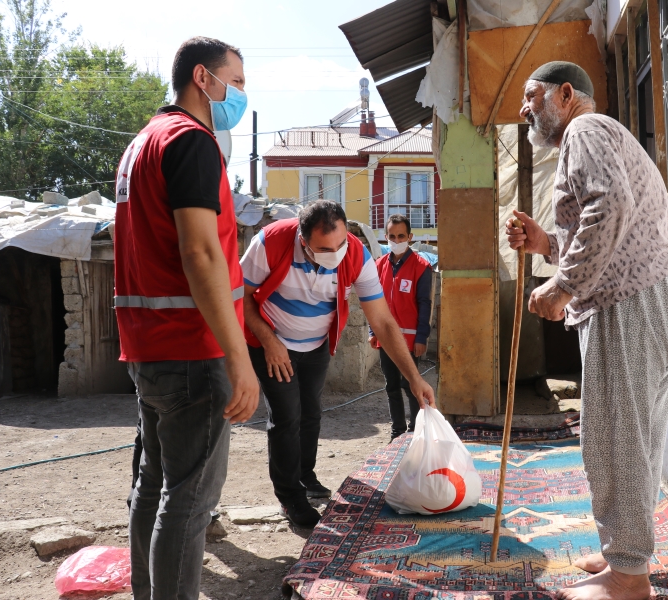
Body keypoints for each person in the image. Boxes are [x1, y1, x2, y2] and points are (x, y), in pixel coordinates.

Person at [505, 61, 668, 600]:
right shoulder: (604, 135)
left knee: (613, 438)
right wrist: (547, 244)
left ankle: (629, 580)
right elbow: (611, 219)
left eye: (532, 97)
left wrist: (562, 285)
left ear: (566, 95)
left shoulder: (584, 130)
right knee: (633, 439)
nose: (525, 110)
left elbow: (609, 205)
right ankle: (625, 559)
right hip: (656, 296)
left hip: (630, 304)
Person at [114, 37, 259, 600]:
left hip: (147, 350)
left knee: (154, 485)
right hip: (192, 350)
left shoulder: (141, 144)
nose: (240, 95)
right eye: (237, 82)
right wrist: (239, 359)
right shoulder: (192, 143)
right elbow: (200, 255)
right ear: (204, 77)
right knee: (190, 498)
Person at [240, 200, 436, 528]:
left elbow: (384, 322)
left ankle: (306, 476)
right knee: (287, 417)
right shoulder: (271, 241)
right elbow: (238, 295)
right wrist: (268, 340)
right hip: (271, 342)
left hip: (317, 344)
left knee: (311, 412)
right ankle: (290, 497)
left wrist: (414, 378)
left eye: (340, 244)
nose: (335, 253)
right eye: (322, 248)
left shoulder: (356, 254)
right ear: (302, 239)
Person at [368, 214, 433, 440]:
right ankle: (397, 432)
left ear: (410, 237)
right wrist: (371, 331)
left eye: (401, 236)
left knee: (411, 385)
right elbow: (371, 302)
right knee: (391, 386)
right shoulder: (377, 267)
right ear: (386, 237)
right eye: (392, 236)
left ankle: (415, 431)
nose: (396, 240)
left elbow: (425, 304)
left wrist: (422, 338)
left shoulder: (421, 267)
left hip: (410, 340)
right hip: (386, 339)